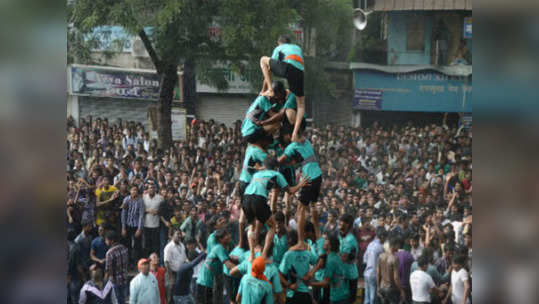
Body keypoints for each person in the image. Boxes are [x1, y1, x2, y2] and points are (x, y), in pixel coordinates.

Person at [243, 157, 308, 246]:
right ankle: (264, 253)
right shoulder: (276, 174)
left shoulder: (257, 173)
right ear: (276, 167)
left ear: (264, 166)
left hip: (245, 198)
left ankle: (253, 252)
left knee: (252, 226)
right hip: (258, 199)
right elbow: (290, 191)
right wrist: (301, 184)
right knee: (273, 226)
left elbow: (249, 168)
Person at [259, 35, 305, 142]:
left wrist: (264, 89)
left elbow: (269, 69)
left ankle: (270, 89)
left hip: (287, 67)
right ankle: (295, 133)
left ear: (280, 43)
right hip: (299, 72)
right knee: (301, 105)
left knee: (263, 60)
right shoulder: (297, 48)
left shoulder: (279, 48)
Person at [306, 233, 353, 304]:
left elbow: (325, 282)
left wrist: (310, 283)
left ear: (330, 245)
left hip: (337, 298)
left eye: (326, 240)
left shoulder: (330, 261)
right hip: (344, 295)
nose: (324, 242)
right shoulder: (338, 256)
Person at [196, 229, 237, 304]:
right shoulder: (219, 248)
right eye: (226, 236)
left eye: (228, 234)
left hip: (207, 283)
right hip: (204, 284)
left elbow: (230, 258)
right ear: (220, 239)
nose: (229, 236)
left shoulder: (221, 248)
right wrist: (244, 270)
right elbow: (228, 265)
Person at [279, 229, 317, 304]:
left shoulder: (288, 254)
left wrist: (289, 285)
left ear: (289, 240)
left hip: (292, 294)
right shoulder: (307, 253)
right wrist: (311, 273)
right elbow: (319, 262)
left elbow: (279, 274)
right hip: (306, 294)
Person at [337, 214, 359, 304]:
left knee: (348, 300)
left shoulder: (350, 239)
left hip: (349, 276)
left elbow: (343, 258)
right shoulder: (340, 236)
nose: (338, 223)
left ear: (347, 224)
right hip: (342, 275)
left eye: (341, 221)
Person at [377, 237, 406, 304]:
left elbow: (378, 273)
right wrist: (401, 290)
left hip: (382, 287)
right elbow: (396, 278)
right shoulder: (394, 258)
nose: (398, 247)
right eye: (398, 245)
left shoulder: (381, 256)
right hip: (391, 289)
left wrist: (378, 287)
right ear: (394, 245)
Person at [121, 185, 144, 265]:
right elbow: (123, 214)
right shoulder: (126, 200)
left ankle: (137, 263)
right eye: (133, 190)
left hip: (136, 225)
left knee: (137, 245)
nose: (134, 191)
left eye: (136, 190)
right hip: (128, 225)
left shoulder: (140, 201)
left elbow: (141, 215)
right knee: (127, 245)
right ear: (130, 191)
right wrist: (123, 228)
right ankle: (128, 262)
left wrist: (139, 228)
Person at [104, 230, 129, 304]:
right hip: (124, 278)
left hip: (115, 281)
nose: (105, 241)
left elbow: (108, 270)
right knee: (122, 299)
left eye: (106, 239)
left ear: (111, 241)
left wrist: (105, 282)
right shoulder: (124, 248)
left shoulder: (109, 253)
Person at [363, 227, 386, 304]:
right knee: (373, 298)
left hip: (367, 273)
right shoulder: (381, 248)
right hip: (374, 274)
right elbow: (382, 264)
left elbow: (364, 259)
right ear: (382, 237)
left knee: (367, 297)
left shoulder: (370, 244)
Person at [164, 230, 187, 303]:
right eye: (177, 234)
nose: (179, 236)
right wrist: (171, 276)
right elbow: (166, 262)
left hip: (181, 273)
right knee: (170, 294)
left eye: (180, 234)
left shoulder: (182, 245)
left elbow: (184, 259)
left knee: (178, 294)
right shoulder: (169, 247)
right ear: (172, 235)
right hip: (172, 273)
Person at [143, 183, 163, 256]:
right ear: (147, 189)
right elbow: (141, 209)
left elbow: (162, 210)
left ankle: (155, 260)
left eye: (152, 188)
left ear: (155, 189)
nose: (151, 189)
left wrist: (157, 211)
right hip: (146, 224)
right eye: (150, 188)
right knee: (147, 244)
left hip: (156, 225)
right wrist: (148, 211)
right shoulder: (144, 197)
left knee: (155, 244)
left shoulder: (160, 198)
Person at [67, 229, 86, 304]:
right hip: (75, 278)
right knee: (76, 299)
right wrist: (84, 277)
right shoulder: (76, 248)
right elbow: (78, 266)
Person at [395, 236, 415, 302]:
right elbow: (414, 266)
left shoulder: (394, 255)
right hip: (407, 283)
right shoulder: (409, 255)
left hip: (397, 284)